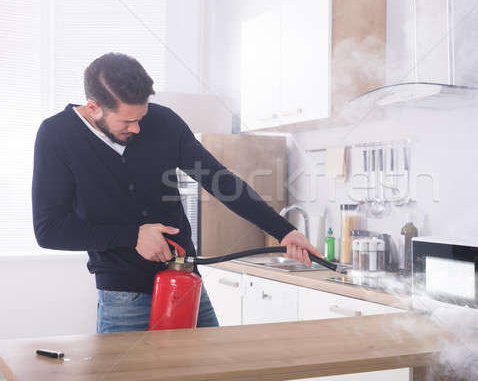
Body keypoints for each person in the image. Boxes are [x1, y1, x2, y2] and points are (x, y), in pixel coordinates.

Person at [32, 52, 320, 333]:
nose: (137, 128)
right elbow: (50, 230)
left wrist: (284, 231)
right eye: (126, 122)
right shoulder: (57, 135)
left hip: (185, 280)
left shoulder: (164, 122)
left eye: (141, 116)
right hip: (125, 294)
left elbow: (221, 182)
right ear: (94, 107)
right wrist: (132, 235)